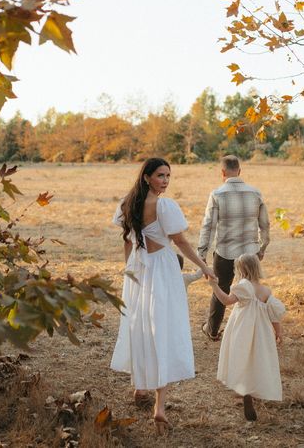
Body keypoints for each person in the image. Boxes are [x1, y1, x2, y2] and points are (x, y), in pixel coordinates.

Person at [111, 157, 215, 435]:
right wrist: (203, 266)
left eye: (168, 175)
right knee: (162, 329)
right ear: (146, 177)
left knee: (142, 324)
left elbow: (126, 240)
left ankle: (139, 387)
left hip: (137, 268)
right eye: (160, 175)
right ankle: (159, 406)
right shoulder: (163, 205)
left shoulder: (127, 203)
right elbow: (180, 241)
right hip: (161, 270)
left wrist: (128, 269)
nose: (166, 181)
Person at [198, 155, 270, 341]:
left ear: (222, 172)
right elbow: (265, 224)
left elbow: (209, 226)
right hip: (250, 253)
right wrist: (261, 248)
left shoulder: (217, 194)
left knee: (221, 288)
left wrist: (202, 253)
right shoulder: (255, 193)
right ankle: (253, 332)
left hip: (225, 252)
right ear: (239, 171)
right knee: (252, 290)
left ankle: (212, 330)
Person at [207, 253, 285, 421]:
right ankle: (254, 390)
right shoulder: (265, 290)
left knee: (241, 357)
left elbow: (227, 301)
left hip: (243, 328)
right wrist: (278, 332)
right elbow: (273, 315)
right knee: (257, 359)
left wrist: (214, 286)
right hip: (262, 332)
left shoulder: (243, 286)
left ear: (240, 269)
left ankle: (243, 390)